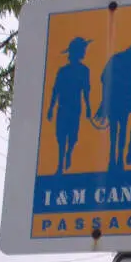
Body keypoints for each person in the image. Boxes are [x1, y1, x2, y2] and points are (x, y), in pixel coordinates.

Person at [46, 37, 92, 173]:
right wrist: (51, 108)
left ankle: (69, 153)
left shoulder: (85, 70)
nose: (85, 52)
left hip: (75, 108)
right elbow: (56, 90)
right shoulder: (63, 71)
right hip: (63, 106)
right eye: (83, 49)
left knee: (73, 136)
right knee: (61, 136)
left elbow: (86, 91)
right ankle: (60, 163)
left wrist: (88, 108)